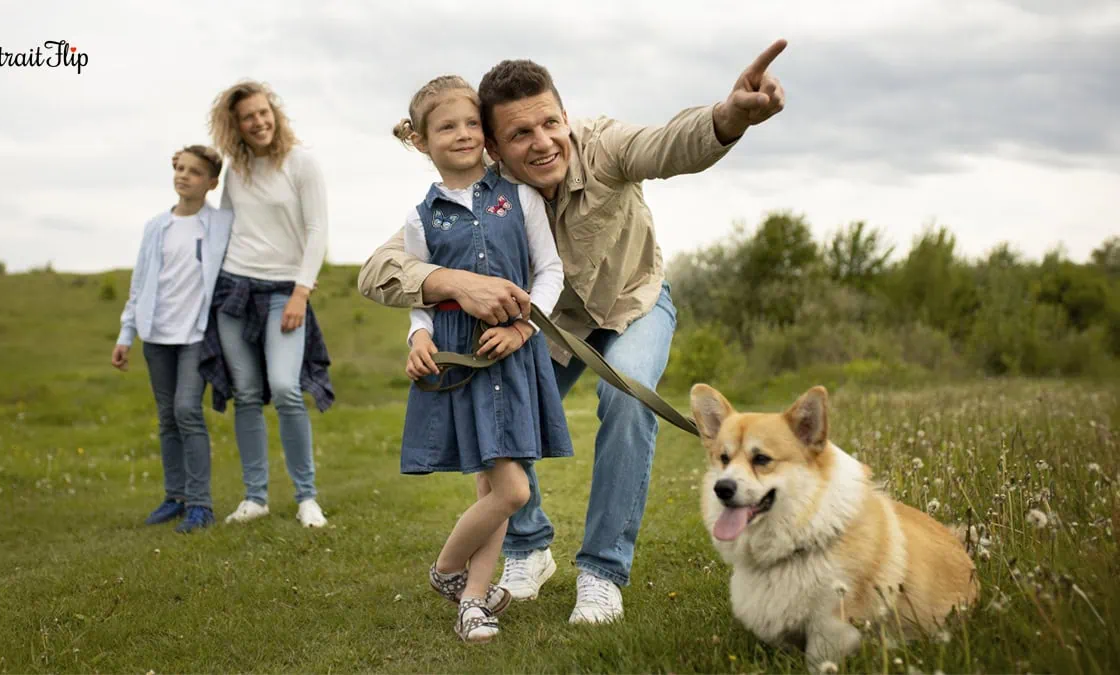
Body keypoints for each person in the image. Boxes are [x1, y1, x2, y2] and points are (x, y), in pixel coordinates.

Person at [359, 41, 787, 624]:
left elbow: (670, 144)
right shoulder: (484, 190)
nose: (541, 143)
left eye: (550, 123)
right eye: (519, 135)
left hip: (633, 303)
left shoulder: (604, 144)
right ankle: (528, 547)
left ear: (565, 115)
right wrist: (456, 282)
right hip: (548, 325)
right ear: (493, 146)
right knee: (500, 416)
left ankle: (602, 573)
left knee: (626, 394)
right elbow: (379, 271)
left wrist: (731, 115)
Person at [392, 75, 573, 642]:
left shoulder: (518, 197)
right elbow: (419, 290)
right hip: (458, 364)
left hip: (513, 358)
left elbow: (550, 272)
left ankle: (467, 592)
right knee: (509, 492)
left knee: (501, 491)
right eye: (448, 126)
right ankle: (459, 582)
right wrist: (417, 338)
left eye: (472, 123)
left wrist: (523, 326)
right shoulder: (421, 218)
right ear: (422, 141)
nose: (464, 134)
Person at [199, 80, 335, 529]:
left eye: (263, 112)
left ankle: (307, 498)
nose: (257, 122)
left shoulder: (301, 163)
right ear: (234, 125)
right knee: (247, 394)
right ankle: (255, 497)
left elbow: (317, 231)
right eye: (246, 117)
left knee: (285, 388)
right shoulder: (235, 169)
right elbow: (225, 227)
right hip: (234, 289)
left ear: (274, 113)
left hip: (284, 292)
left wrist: (301, 291)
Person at [112, 144, 233, 534]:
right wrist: (126, 334)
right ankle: (174, 497)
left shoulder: (221, 224)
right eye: (179, 168)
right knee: (167, 417)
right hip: (156, 335)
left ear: (212, 183)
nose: (183, 176)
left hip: (196, 334)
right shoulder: (155, 227)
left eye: (194, 172)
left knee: (186, 410)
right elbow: (140, 283)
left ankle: (201, 505)